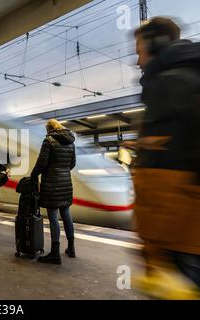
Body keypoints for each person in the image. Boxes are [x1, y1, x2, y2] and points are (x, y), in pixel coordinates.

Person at [133, 17, 200, 298]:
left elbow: (162, 175)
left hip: (178, 236)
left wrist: (155, 251)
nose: (137, 62)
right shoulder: (189, 76)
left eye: (138, 52)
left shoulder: (170, 83)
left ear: (154, 44)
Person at [31, 119, 76, 265]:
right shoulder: (70, 142)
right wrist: (62, 171)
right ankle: (71, 248)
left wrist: (33, 175)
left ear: (49, 129)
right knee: (66, 215)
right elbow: (72, 164)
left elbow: (42, 163)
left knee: (53, 218)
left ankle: (55, 254)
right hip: (66, 183)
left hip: (52, 184)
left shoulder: (49, 141)